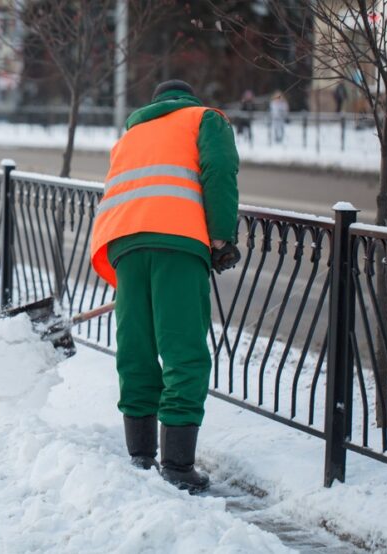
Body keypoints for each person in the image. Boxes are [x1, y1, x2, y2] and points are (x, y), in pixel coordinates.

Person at [89, 80, 241, 494]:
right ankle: (177, 465)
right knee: (183, 350)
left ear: (155, 104)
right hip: (176, 241)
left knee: (136, 347)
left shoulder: (132, 133)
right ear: (188, 99)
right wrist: (223, 237)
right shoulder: (205, 119)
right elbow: (220, 171)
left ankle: (140, 455)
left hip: (123, 242)